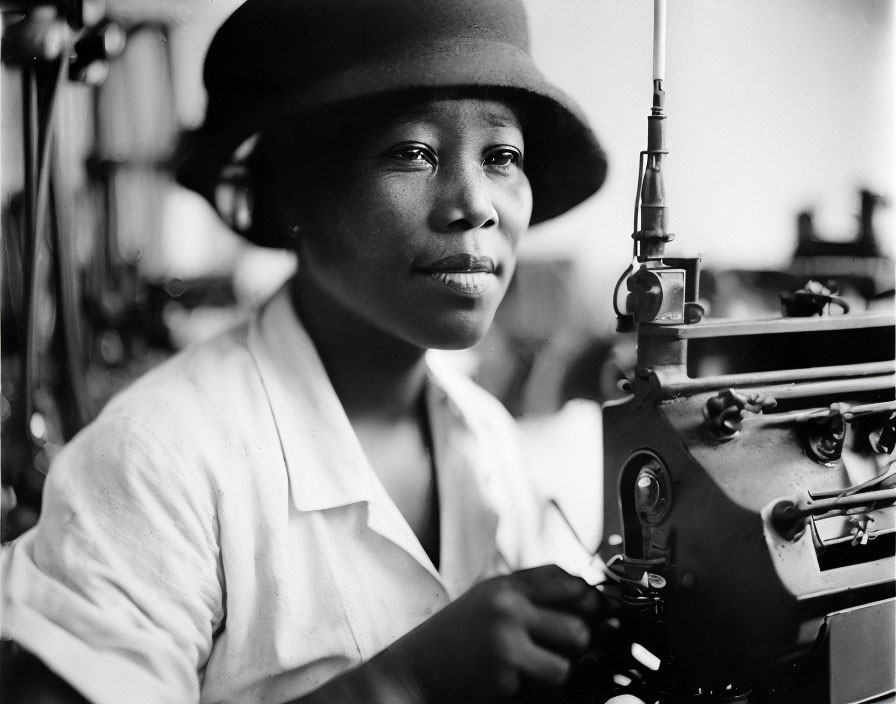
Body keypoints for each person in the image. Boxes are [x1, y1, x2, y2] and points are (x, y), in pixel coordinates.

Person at [0, 1, 613, 702]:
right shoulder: (156, 461)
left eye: (502, 156)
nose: (476, 204)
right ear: (293, 188)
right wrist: (404, 681)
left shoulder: (490, 442)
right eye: (413, 153)